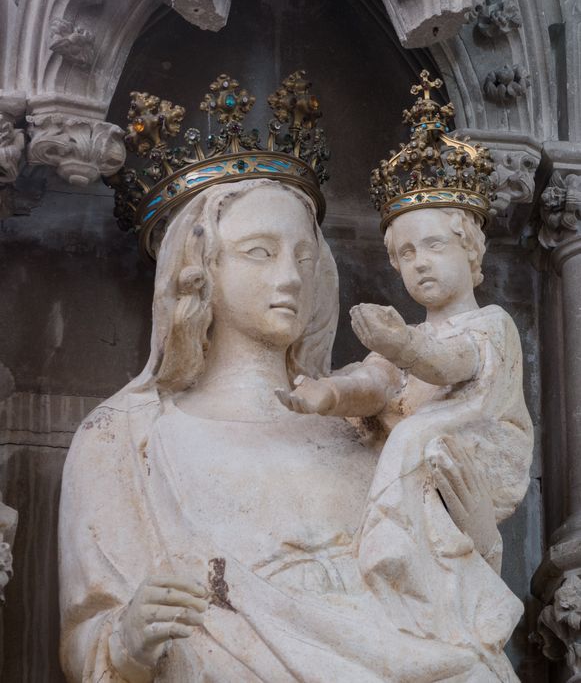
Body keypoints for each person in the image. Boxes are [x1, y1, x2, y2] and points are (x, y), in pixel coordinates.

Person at [59, 179, 515, 682]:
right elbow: (90, 639)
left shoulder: (370, 424)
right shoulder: (122, 436)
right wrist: (129, 638)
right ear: (201, 266)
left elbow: (451, 603)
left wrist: (481, 538)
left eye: (304, 258)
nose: (291, 277)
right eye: (260, 252)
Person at [278, 203, 534, 678]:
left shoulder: (490, 324)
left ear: (472, 253)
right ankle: (397, 584)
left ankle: (391, 548)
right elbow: (373, 385)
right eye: (406, 253)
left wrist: (403, 347)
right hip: (422, 474)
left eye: (434, 245)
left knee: (415, 431)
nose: (419, 262)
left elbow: (452, 363)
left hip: (474, 448)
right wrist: (327, 393)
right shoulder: (404, 339)